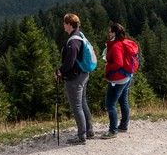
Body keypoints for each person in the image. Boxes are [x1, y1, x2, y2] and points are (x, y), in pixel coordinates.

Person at [55, 12, 94, 145]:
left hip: (75, 77)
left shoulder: (73, 40)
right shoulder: (80, 36)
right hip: (83, 74)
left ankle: (81, 136)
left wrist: (60, 71)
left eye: (65, 23)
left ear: (69, 24)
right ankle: (89, 131)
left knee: (76, 106)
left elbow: (70, 61)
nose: (63, 25)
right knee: (82, 103)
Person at [100, 22, 131, 139]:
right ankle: (123, 125)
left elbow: (118, 63)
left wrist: (108, 66)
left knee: (110, 104)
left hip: (117, 80)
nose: (108, 32)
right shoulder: (124, 42)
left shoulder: (117, 46)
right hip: (127, 76)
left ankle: (113, 131)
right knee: (123, 101)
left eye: (110, 31)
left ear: (115, 33)